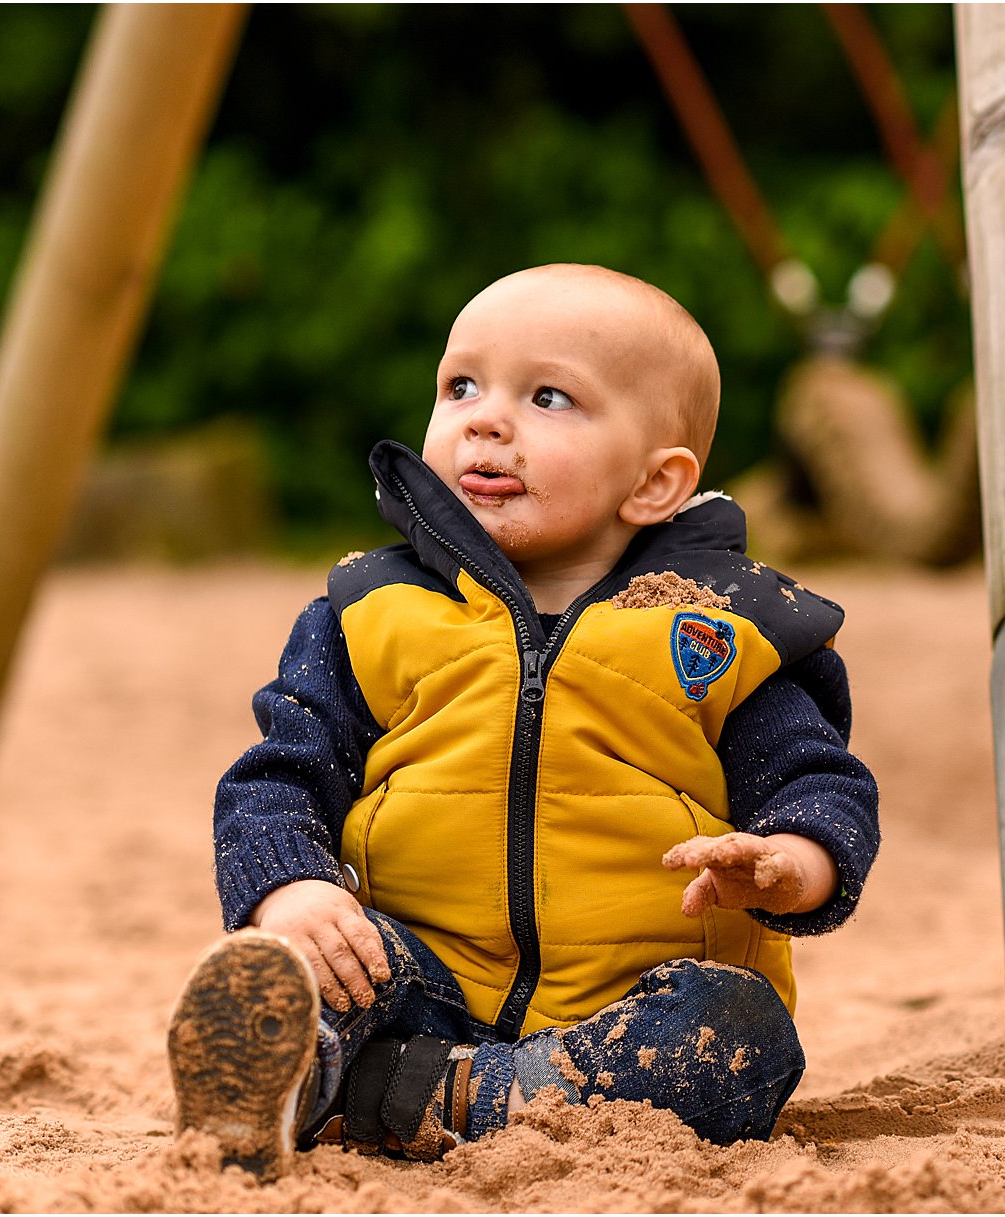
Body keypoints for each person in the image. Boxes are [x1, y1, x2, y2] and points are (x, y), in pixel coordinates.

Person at [167, 263, 881, 1181]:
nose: (485, 418)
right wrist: (291, 890)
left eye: (548, 396)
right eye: (460, 385)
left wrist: (794, 862)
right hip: (422, 979)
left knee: (738, 1035)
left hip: (634, 1010)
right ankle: (304, 1073)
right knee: (319, 970)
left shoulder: (719, 628)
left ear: (657, 483)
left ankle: (414, 1095)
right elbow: (278, 776)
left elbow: (820, 783)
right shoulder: (373, 611)